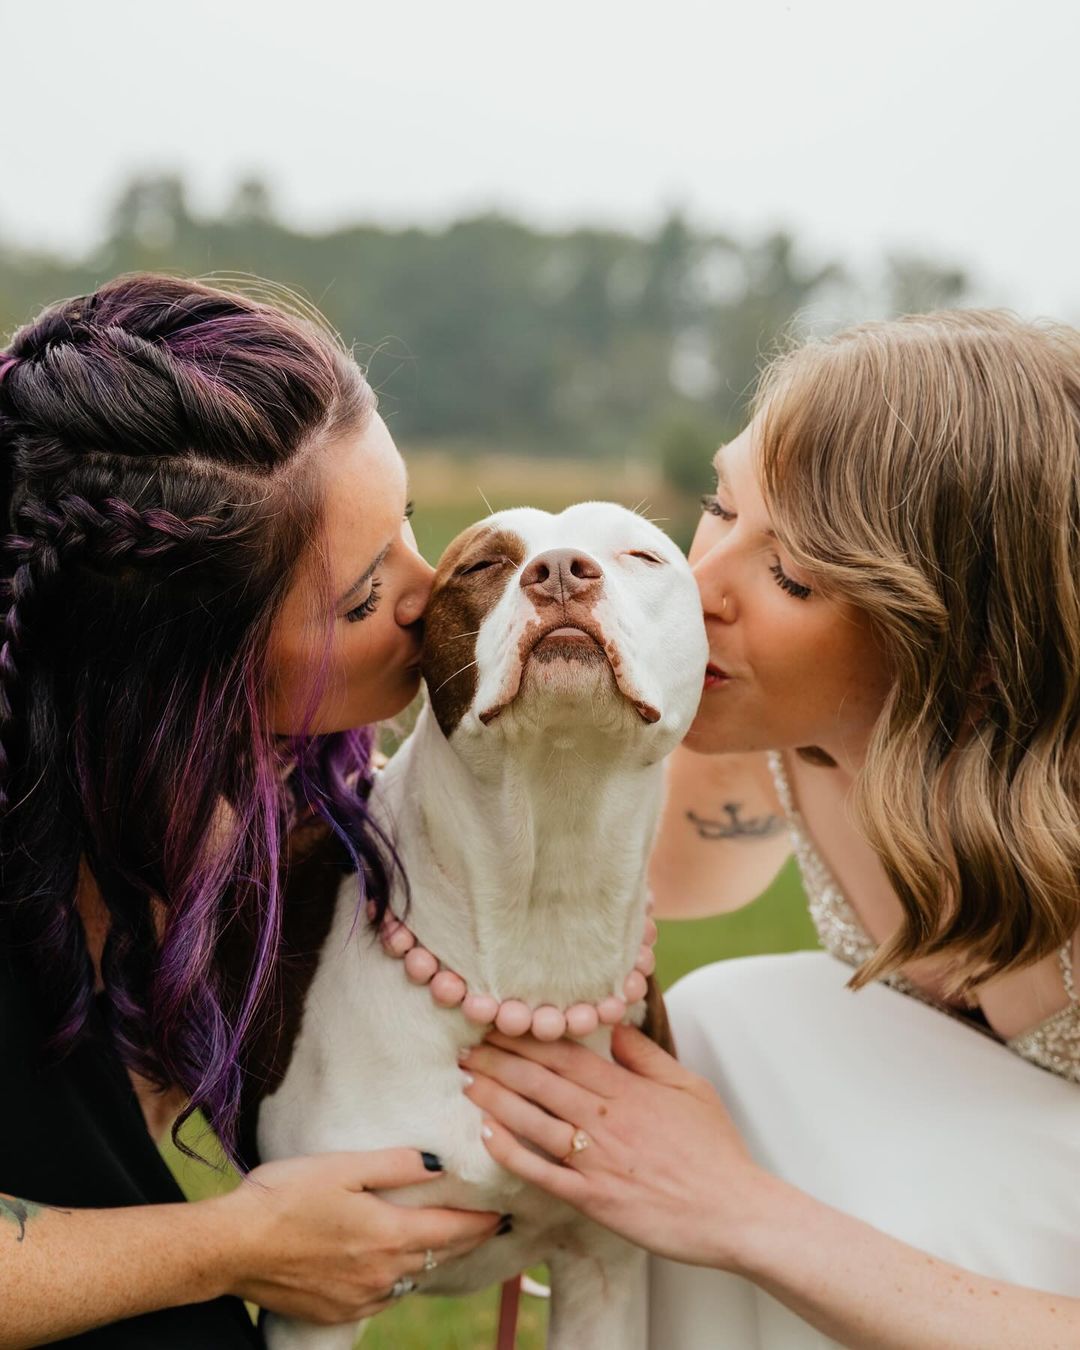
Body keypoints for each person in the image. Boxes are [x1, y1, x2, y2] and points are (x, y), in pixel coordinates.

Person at [461, 309, 1080, 1347]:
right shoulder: (750, 743)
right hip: (947, 1192)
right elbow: (555, 926)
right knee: (712, 1029)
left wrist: (738, 1210)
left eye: (791, 575)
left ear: (965, 643)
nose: (695, 591)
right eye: (717, 507)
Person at [0, 274, 503, 1349]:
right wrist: (237, 1246)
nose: (431, 593)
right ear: (177, 684)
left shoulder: (243, 818)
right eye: (364, 596)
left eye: (409, 524)